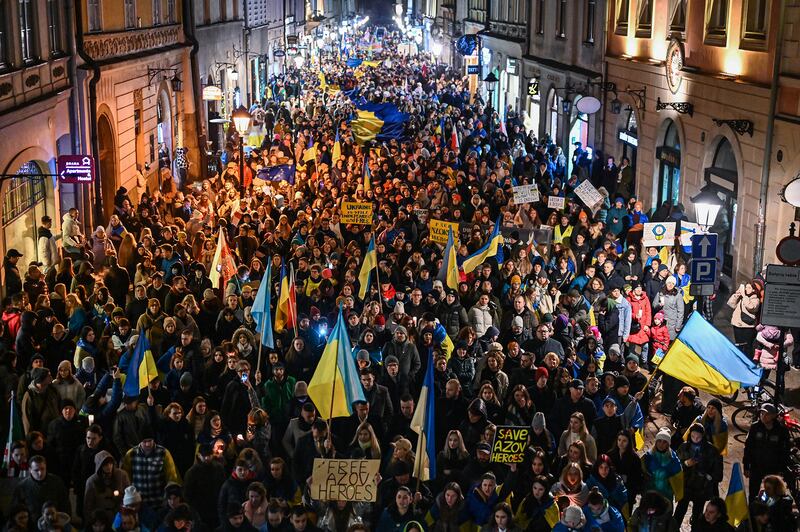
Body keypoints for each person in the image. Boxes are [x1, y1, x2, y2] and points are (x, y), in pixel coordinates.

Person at [743, 403, 790, 502]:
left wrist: (782, 469)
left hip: (773, 468)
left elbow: (785, 451)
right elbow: (748, 447)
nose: (763, 416)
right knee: (753, 494)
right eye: (761, 414)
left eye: (766, 414)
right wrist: (746, 466)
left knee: (772, 494)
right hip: (756, 466)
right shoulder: (755, 428)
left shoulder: (781, 430)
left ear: (773, 416)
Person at [11, 455, 70, 522]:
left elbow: (65, 505)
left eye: (42, 469)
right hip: (31, 524)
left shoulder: (57, 482)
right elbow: (16, 509)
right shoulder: (22, 486)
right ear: (30, 470)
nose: (40, 473)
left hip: (54, 522)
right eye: (36, 470)